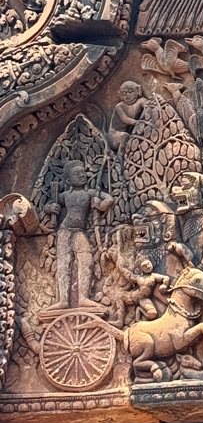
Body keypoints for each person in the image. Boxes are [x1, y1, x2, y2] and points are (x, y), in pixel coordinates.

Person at [44, 161, 115, 310]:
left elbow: (109, 199)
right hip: (65, 230)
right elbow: (47, 205)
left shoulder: (89, 193)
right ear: (69, 180)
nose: (82, 175)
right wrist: (51, 208)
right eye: (77, 173)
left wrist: (100, 206)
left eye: (83, 172)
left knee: (86, 260)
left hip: (79, 232)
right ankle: (63, 300)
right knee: (63, 264)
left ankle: (83, 298)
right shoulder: (65, 196)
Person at [107, 80, 148, 152]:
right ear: (121, 96)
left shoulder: (140, 101)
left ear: (137, 90)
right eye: (124, 93)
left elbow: (149, 106)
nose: (127, 95)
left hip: (130, 132)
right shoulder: (119, 106)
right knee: (125, 136)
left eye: (130, 91)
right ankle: (120, 155)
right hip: (114, 136)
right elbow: (124, 119)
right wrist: (136, 122)